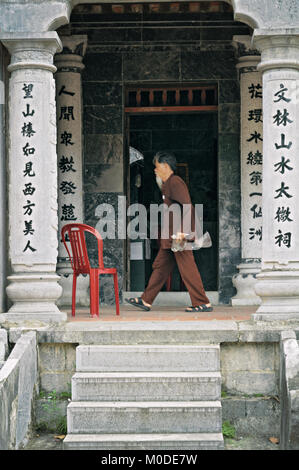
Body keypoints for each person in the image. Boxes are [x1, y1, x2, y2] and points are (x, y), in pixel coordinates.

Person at [125, 151, 212, 313]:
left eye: (157, 167)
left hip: (179, 236)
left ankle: (202, 302)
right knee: (160, 268)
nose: (155, 170)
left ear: (165, 166)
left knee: (188, 268)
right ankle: (146, 300)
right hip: (170, 237)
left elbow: (187, 206)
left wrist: (183, 233)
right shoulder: (167, 184)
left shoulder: (175, 182)